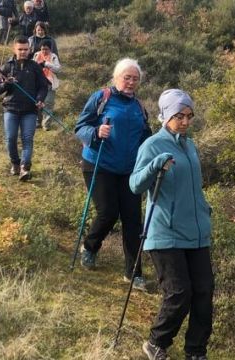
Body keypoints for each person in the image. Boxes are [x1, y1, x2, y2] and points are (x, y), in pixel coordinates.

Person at [129, 89, 214, 360]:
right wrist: (154, 166)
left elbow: (194, 187)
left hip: (197, 230)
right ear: (165, 115)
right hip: (165, 231)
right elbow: (134, 185)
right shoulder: (152, 145)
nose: (186, 121)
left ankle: (196, 351)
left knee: (204, 292)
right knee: (179, 292)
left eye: (189, 116)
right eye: (179, 116)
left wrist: (204, 209)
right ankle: (157, 342)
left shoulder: (190, 145)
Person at [74, 58, 152, 290]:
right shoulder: (102, 97)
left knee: (133, 221)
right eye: (126, 77)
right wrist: (96, 131)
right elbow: (80, 127)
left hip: (129, 170)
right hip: (99, 164)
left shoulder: (139, 107)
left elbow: (146, 138)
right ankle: (89, 247)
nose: (130, 82)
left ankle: (133, 273)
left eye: (135, 79)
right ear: (116, 77)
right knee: (108, 212)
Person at [0, 35, 48, 180]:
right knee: (11, 138)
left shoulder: (35, 67)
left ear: (29, 49)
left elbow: (43, 87)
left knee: (27, 138)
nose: (23, 52)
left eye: (25, 49)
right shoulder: (6, 67)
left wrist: (40, 99)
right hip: (10, 108)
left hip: (30, 109)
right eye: (20, 49)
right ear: (14, 49)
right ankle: (15, 164)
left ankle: (25, 168)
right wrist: (7, 83)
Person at [32, 40, 61, 131]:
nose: (44, 51)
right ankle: (38, 121)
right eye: (42, 49)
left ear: (50, 49)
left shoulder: (53, 56)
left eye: (46, 49)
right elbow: (32, 66)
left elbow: (58, 69)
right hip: (37, 83)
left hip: (50, 83)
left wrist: (46, 64)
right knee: (38, 102)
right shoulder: (36, 55)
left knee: (48, 104)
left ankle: (46, 124)